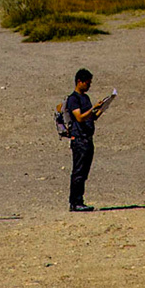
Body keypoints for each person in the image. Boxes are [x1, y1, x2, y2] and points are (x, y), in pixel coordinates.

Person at [62, 68, 115, 212]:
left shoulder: (85, 98)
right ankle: (75, 202)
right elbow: (79, 117)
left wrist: (102, 108)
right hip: (79, 140)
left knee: (84, 172)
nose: (89, 85)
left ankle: (79, 200)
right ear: (79, 81)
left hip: (87, 139)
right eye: (87, 83)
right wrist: (93, 109)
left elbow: (92, 116)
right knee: (78, 171)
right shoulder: (74, 99)